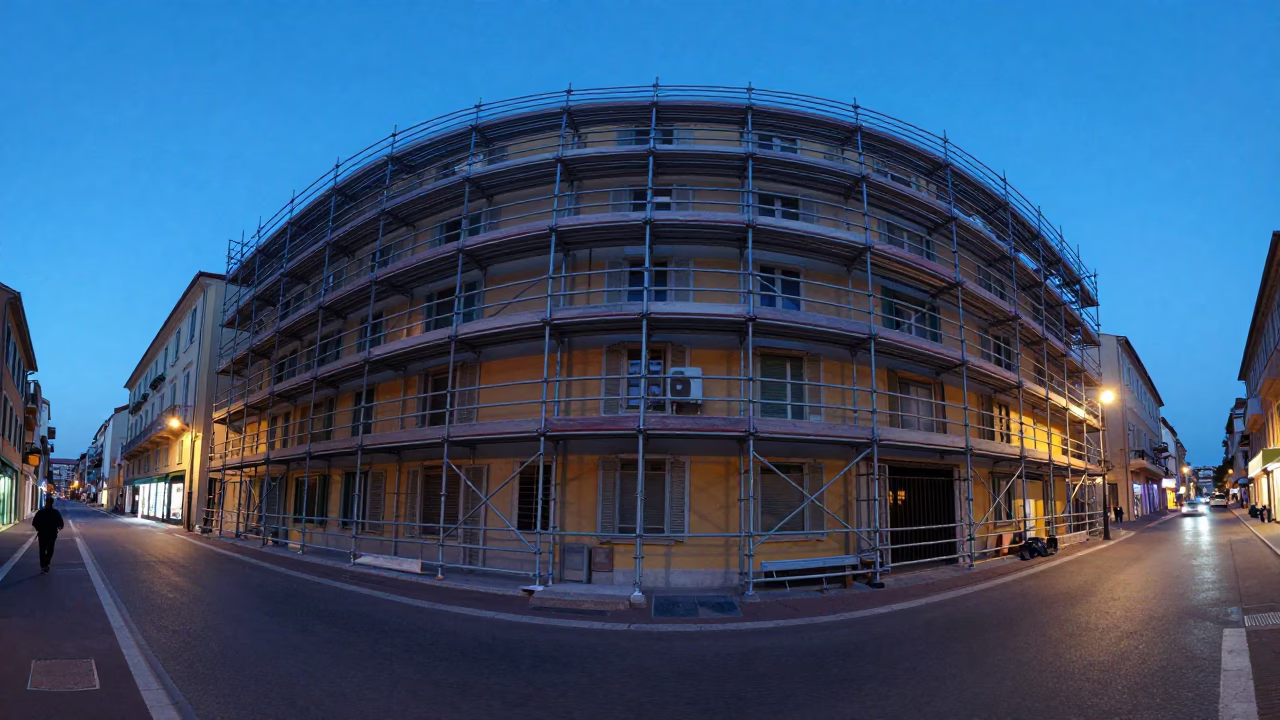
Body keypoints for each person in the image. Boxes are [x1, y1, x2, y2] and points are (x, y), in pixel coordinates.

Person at [31, 495, 64, 574]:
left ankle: (43, 565)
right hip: (52, 534)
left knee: (42, 550)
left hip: (42, 534)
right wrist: (58, 527)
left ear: (46, 502)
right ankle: (47, 563)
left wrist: (38, 528)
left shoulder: (40, 512)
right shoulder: (56, 513)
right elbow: (61, 524)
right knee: (50, 549)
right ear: (52, 503)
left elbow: (34, 523)